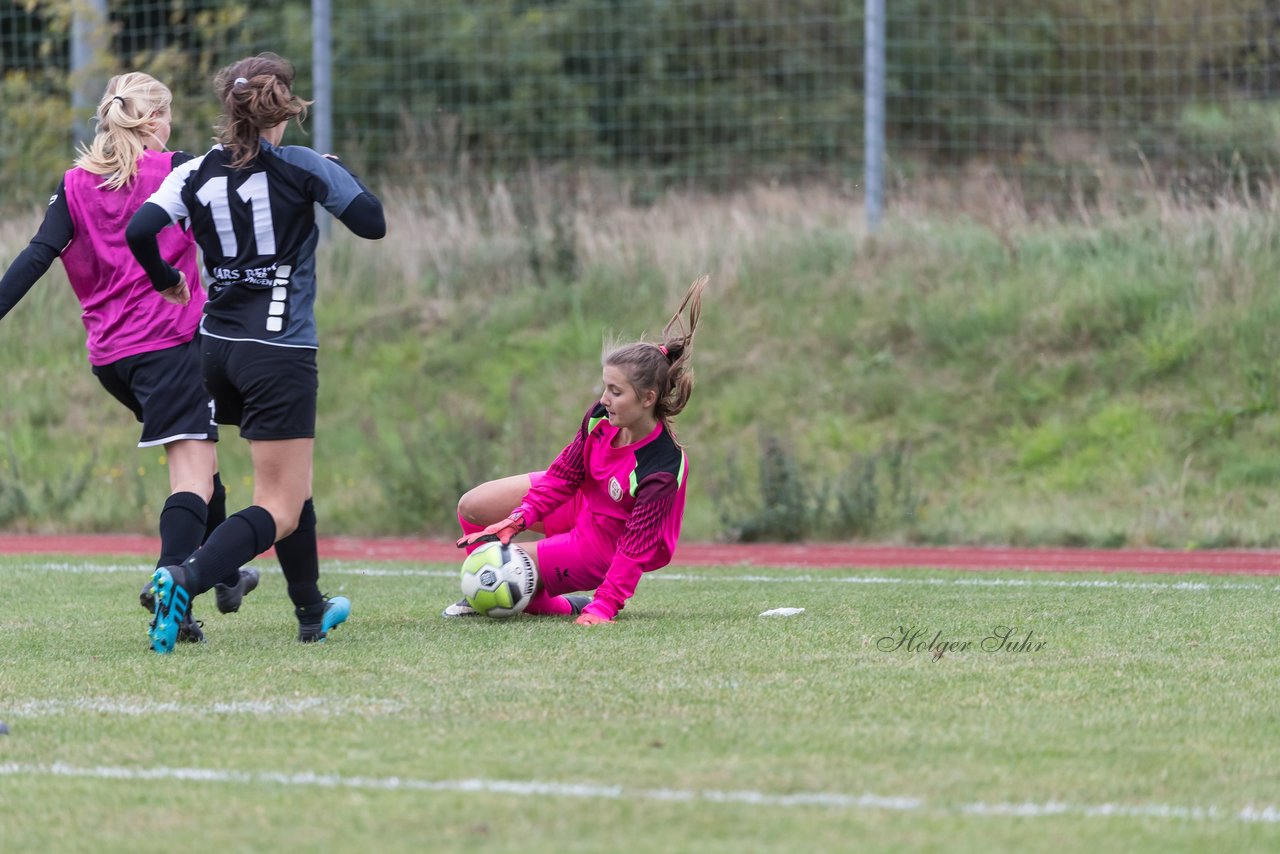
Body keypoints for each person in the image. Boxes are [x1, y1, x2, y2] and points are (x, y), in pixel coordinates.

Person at [127, 52, 386, 653]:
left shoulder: (194, 172)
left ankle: (310, 609)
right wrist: (337, 172)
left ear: (230, 107)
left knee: (291, 484)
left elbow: (140, 231)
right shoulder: (300, 165)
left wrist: (166, 276)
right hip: (277, 351)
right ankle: (183, 578)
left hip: (215, 350)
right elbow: (372, 223)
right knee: (278, 501)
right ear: (285, 106)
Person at [0, 72, 258, 643]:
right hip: (170, 345)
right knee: (190, 475)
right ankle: (176, 590)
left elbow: (37, 255)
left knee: (204, 458)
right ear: (156, 121)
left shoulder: (72, 185)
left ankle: (227, 575)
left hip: (113, 360)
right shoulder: (177, 169)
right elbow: (248, 191)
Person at [451, 275, 709, 624]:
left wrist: (603, 606)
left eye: (616, 391)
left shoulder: (662, 465)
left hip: (604, 544)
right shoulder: (601, 417)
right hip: (580, 503)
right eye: (605, 387)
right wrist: (519, 518)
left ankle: (544, 600)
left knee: (497, 568)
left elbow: (635, 547)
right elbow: (563, 476)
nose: (604, 398)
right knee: (472, 507)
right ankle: (495, 590)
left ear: (648, 399)